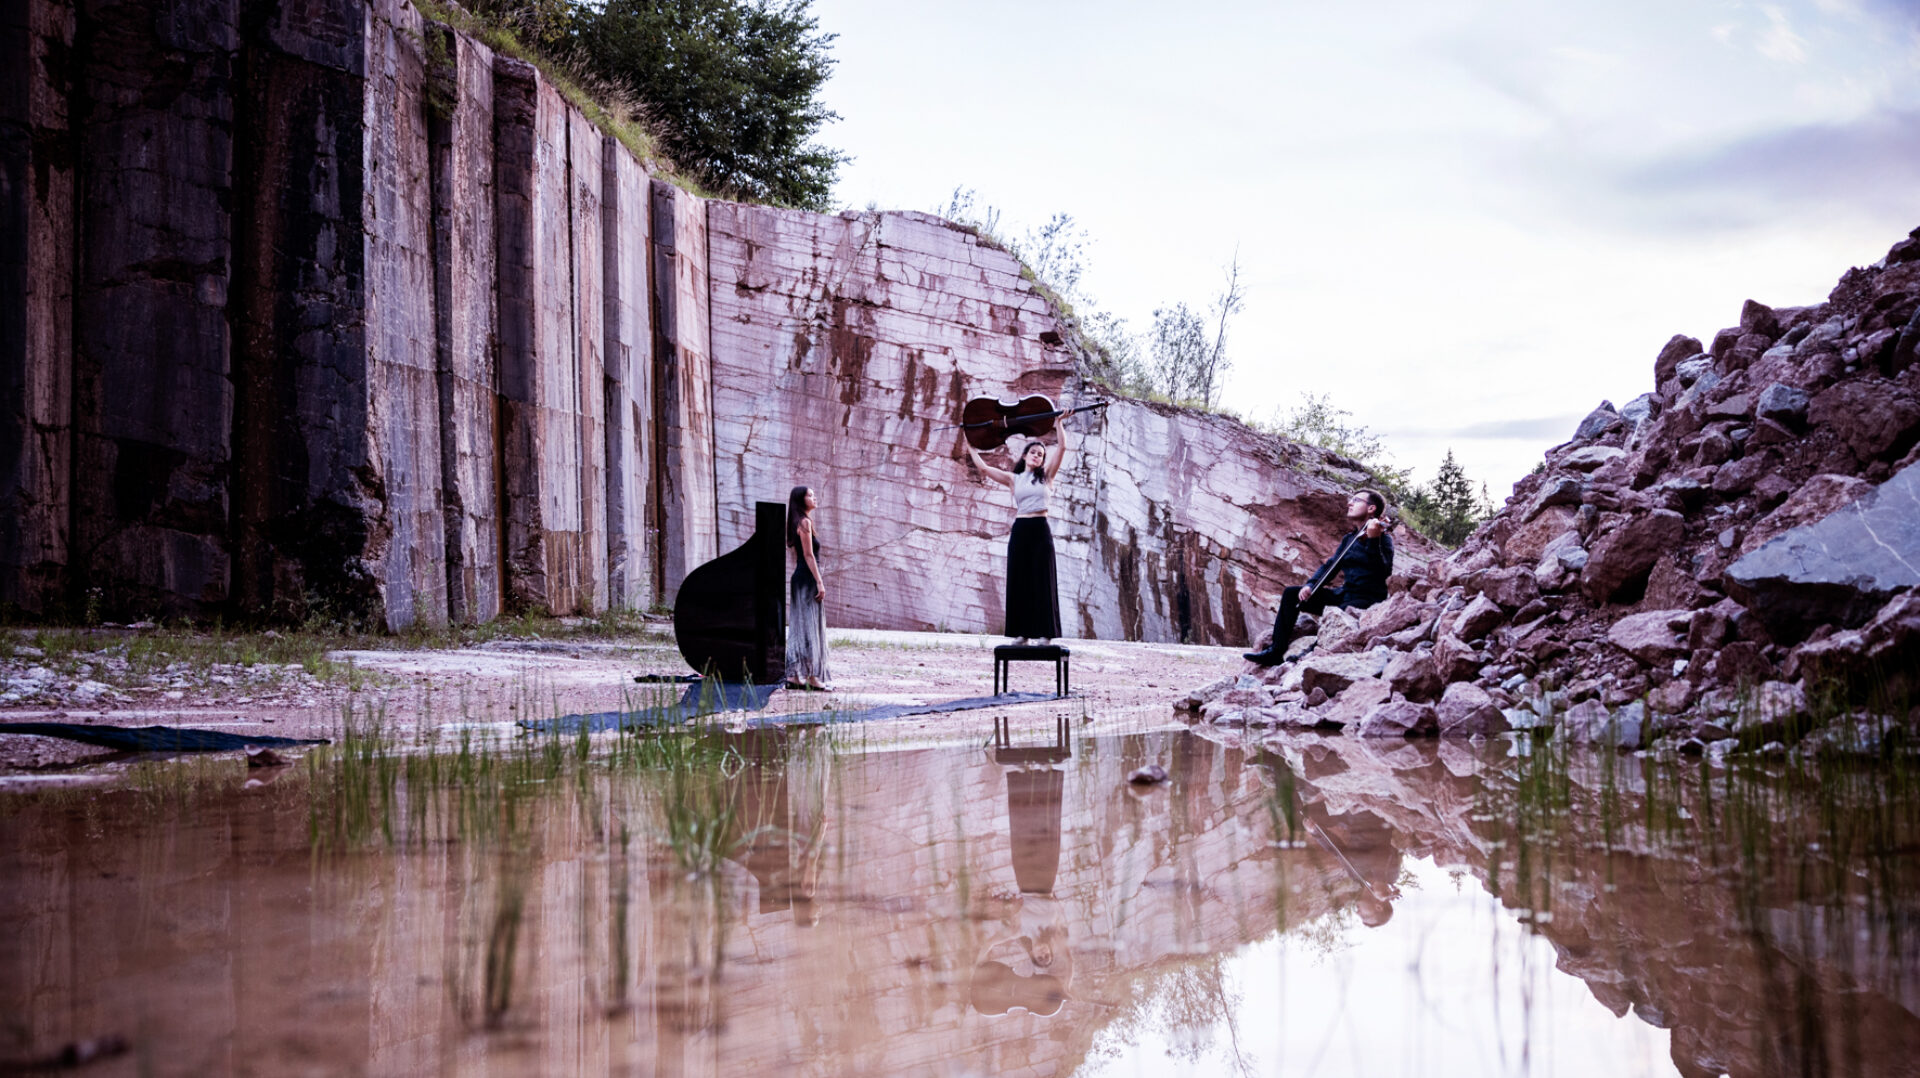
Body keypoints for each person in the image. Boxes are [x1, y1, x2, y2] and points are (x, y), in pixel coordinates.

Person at [1243, 490, 1393, 665]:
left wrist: (1373, 541)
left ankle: (1308, 655)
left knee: (1337, 617)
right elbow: (1331, 566)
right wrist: (1311, 585)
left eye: (1356, 500)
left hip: (1366, 599)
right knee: (1292, 594)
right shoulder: (1350, 538)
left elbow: (1383, 571)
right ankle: (1276, 651)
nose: (1349, 503)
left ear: (1371, 508)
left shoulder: (1383, 538)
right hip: (1344, 593)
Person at [966, 415, 1079, 645]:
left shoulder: (1047, 475)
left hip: (1040, 528)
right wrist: (970, 443)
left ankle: (1046, 634)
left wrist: (1059, 424)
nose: (1037, 456)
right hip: (1021, 529)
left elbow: (1063, 446)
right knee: (1020, 580)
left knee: (1043, 579)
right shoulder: (1013, 479)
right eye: (1034, 452)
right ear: (1025, 456)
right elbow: (984, 468)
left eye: (1041, 454)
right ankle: (1022, 634)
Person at [784, 485, 831, 690]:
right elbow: (809, 555)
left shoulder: (799, 521)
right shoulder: (804, 522)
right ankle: (812, 676)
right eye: (810, 495)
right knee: (811, 626)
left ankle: (796, 676)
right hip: (806, 580)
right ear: (801, 500)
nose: (815, 497)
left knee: (801, 626)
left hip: (801, 579)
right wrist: (819, 582)